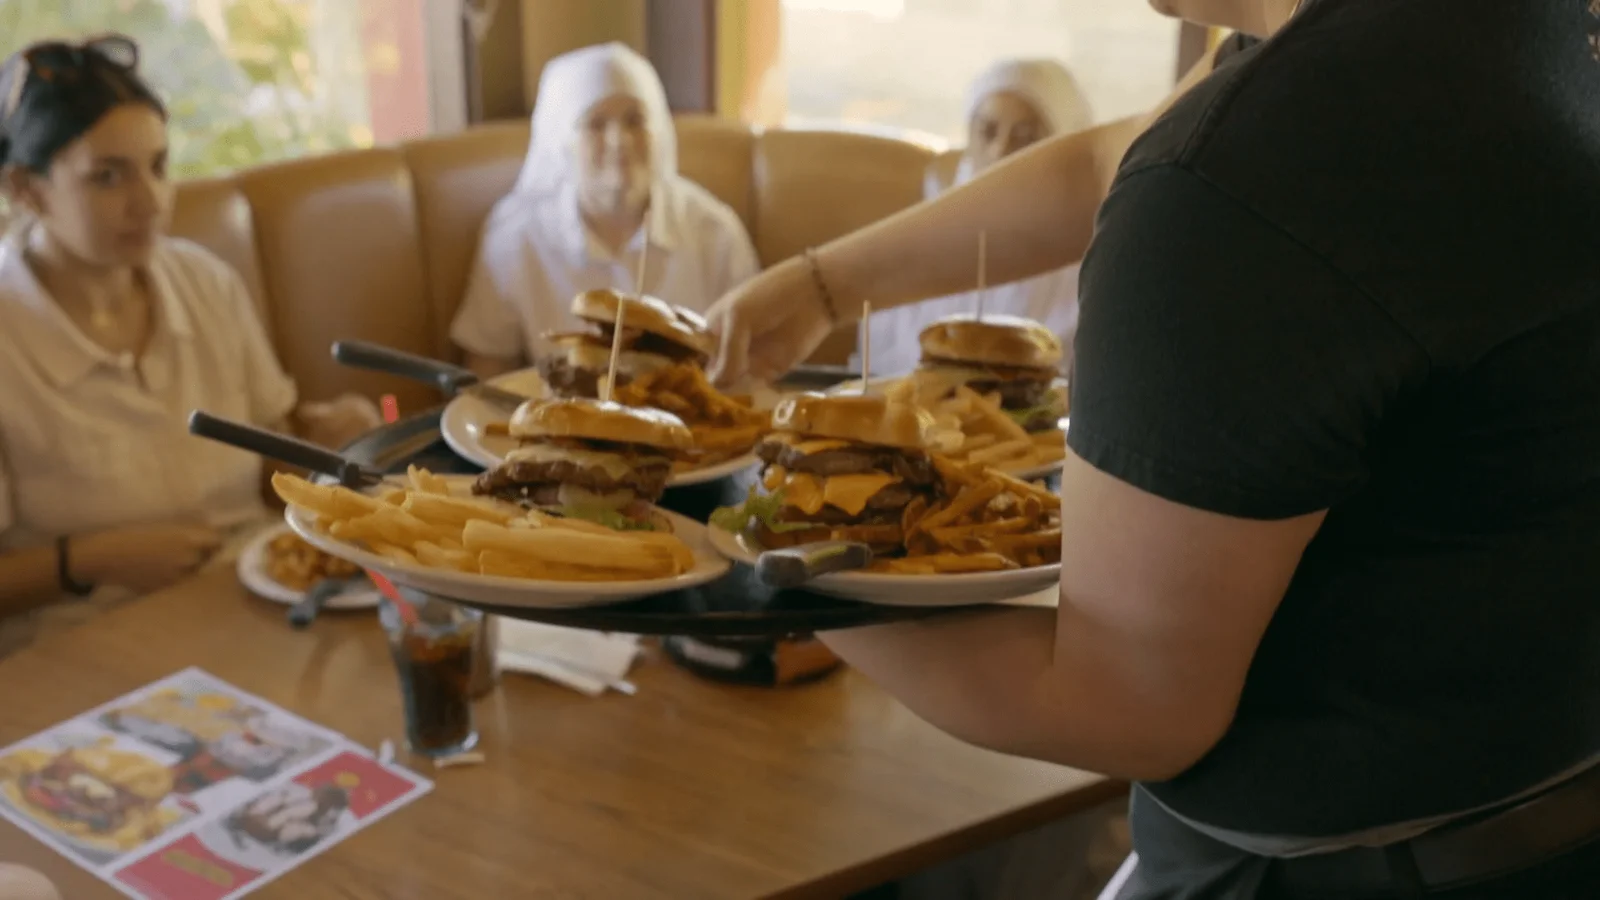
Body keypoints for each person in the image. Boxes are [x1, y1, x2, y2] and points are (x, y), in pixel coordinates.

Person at [707, 0, 1600, 897]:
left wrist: (751, 561)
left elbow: (1120, 705)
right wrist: (826, 283)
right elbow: (1112, 156)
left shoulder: (1249, 176)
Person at [0, 36, 379, 657]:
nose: (150, 201)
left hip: (256, 607)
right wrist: (88, 559)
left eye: (158, 166)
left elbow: (271, 470)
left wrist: (329, 447)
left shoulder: (204, 282)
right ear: (25, 189)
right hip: (83, 647)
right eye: (107, 177)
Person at [451, 42, 760, 380]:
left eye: (635, 120)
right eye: (596, 124)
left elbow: (753, 360)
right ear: (562, 141)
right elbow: (488, 369)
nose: (619, 141)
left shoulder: (716, 231)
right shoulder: (514, 238)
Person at [872, 58, 1092, 376]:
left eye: (1026, 136)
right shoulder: (925, 243)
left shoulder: (1088, 260)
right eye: (987, 132)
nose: (1000, 150)